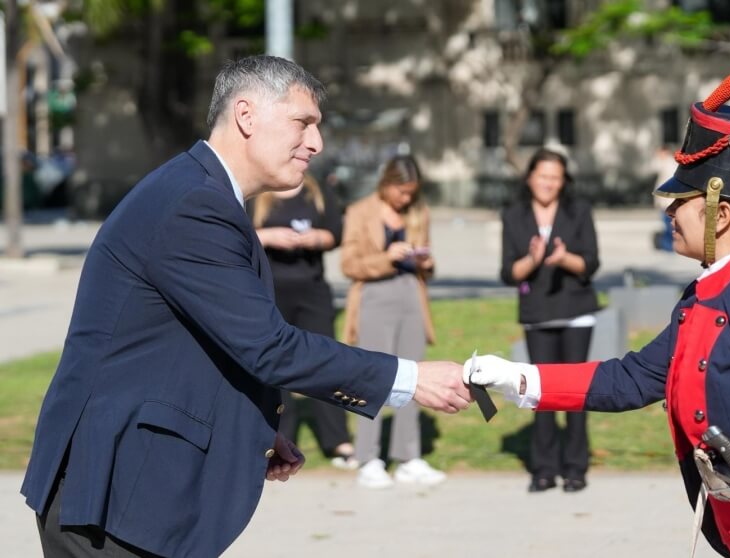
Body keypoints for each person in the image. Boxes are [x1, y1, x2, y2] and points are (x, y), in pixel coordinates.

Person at [21, 55, 471, 558]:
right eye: (303, 123)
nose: (316, 143)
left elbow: (194, 344)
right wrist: (410, 378)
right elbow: (269, 346)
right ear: (246, 116)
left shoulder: (203, 193)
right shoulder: (196, 203)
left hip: (132, 492)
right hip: (113, 497)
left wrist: (250, 425)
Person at [465, 75, 730, 557]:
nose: (670, 210)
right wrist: (515, 379)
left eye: (682, 201)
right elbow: (631, 379)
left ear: (720, 216)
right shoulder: (705, 293)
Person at [341, 154, 446, 489]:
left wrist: (425, 261)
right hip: (374, 296)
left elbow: (429, 266)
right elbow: (349, 264)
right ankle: (368, 457)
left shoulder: (418, 212)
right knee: (373, 377)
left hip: (411, 295)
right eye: (401, 191)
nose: (406, 198)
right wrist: (387, 258)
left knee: (414, 376)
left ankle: (408, 456)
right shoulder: (359, 212)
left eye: (411, 192)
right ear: (386, 183)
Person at [500, 147, 599, 493]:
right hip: (537, 314)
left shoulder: (579, 210)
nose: (548, 183)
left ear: (563, 181)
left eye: (555, 177)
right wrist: (533, 259)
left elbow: (590, 263)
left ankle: (576, 468)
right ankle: (543, 469)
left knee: (574, 393)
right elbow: (509, 273)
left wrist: (563, 258)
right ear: (529, 178)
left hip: (576, 313)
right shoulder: (513, 215)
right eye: (542, 176)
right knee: (540, 393)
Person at [252, 175, 357, 470]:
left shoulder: (318, 189)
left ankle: (337, 440)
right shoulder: (259, 190)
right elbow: (238, 234)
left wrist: (316, 238)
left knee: (325, 362)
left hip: (313, 291)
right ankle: (281, 439)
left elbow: (335, 233)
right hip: (270, 292)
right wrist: (269, 236)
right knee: (276, 367)